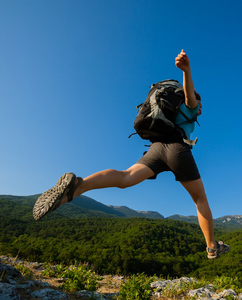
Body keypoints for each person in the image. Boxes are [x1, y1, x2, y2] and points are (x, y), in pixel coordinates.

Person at [33, 49, 230, 259]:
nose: (200, 109)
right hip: (177, 148)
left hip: (156, 149)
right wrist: (187, 71)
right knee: (200, 199)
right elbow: (191, 99)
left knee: (125, 177)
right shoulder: (189, 106)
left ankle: (75, 188)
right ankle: (211, 246)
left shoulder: (170, 113)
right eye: (201, 106)